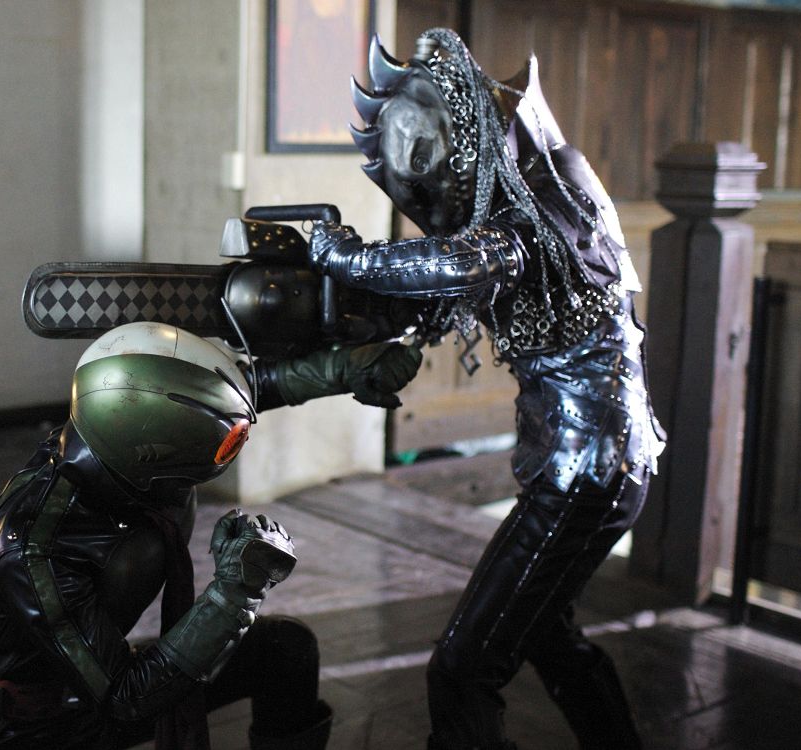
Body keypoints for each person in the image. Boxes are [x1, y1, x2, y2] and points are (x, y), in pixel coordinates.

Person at [307, 28, 666, 750]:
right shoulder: (532, 190)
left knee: (461, 671)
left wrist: (347, 257)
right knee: (546, 636)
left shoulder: (543, 196)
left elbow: (470, 261)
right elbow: (461, 285)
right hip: (593, 463)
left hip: (586, 471)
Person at [0, 321, 422, 750]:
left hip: (99, 674)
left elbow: (227, 395)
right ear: (153, 451)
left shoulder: (117, 437)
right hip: (38, 727)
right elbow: (124, 698)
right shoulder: (33, 550)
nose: (227, 445)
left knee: (284, 650)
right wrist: (232, 597)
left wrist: (343, 370)